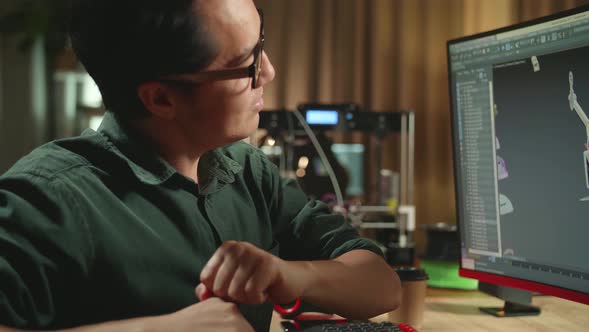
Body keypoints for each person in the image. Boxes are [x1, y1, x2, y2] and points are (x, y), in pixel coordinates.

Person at [0, 0, 401, 331]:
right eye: (249, 63)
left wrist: (287, 274)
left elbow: (381, 285)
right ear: (160, 99)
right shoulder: (46, 199)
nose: (269, 72)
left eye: (261, 43)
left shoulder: (246, 171)